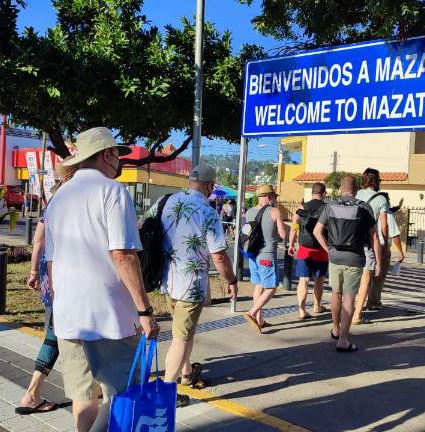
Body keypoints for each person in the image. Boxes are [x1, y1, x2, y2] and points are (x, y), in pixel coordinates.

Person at [45, 127, 160, 432]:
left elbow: (50, 261)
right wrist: (144, 311)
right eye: (118, 155)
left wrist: (58, 305)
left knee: (83, 395)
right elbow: (123, 255)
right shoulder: (112, 191)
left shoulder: (59, 196)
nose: (119, 161)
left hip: (68, 314)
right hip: (109, 315)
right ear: (107, 154)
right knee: (121, 395)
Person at [147, 165, 239, 407]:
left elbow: (141, 226)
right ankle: (167, 390)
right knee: (181, 337)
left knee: (183, 331)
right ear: (210, 186)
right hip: (191, 285)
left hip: (166, 279)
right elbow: (219, 256)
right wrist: (231, 280)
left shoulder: (165, 201)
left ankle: (187, 372)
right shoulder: (208, 212)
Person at [16, 161, 77, 417]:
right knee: (55, 335)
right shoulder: (75, 200)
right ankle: (32, 394)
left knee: (56, 332)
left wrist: (33, 272)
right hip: (67, 278)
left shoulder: (54, 202)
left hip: (50, 276)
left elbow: (38, 240)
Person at [313, 175, 380, 352]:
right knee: (349, 297)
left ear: (341, 189)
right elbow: (374, 236)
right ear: (356, 190)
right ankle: (343, 339)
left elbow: (317, 231)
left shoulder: (330, 205)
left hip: (335, 257)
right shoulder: (363, 207)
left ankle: (336, 329)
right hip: (355, 257)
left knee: (336, 293)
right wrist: (378, 261)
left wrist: (328, 249)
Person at [242, 184, 286, 333]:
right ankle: (251, 313)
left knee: (259, 286)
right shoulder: (274, 211)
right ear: (270, 197)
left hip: (252, 254)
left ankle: (259, 320)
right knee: (271, 288)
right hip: (267, 255)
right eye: (273, 197)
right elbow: (283, 234)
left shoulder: (249, 212)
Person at [287, 182, 328, 319]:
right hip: (321, 249)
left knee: (303, 280)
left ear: (311, 193)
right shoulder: (327, 208)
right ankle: (317, 306)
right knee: (319, 279)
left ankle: (302, 310)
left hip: (304, 249)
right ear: (324, 193)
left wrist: (291, 245)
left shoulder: (301, 208)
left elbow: (294, 228)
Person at [356, 168, 390, 311]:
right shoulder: (381, 199)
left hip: (354, 239)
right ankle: (362, 306)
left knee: (356, 274)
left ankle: (353, 303)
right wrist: (385, 245)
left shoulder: (357, 194)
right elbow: (384, 225)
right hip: (371, 239)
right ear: (376, 181)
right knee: (369, 273)